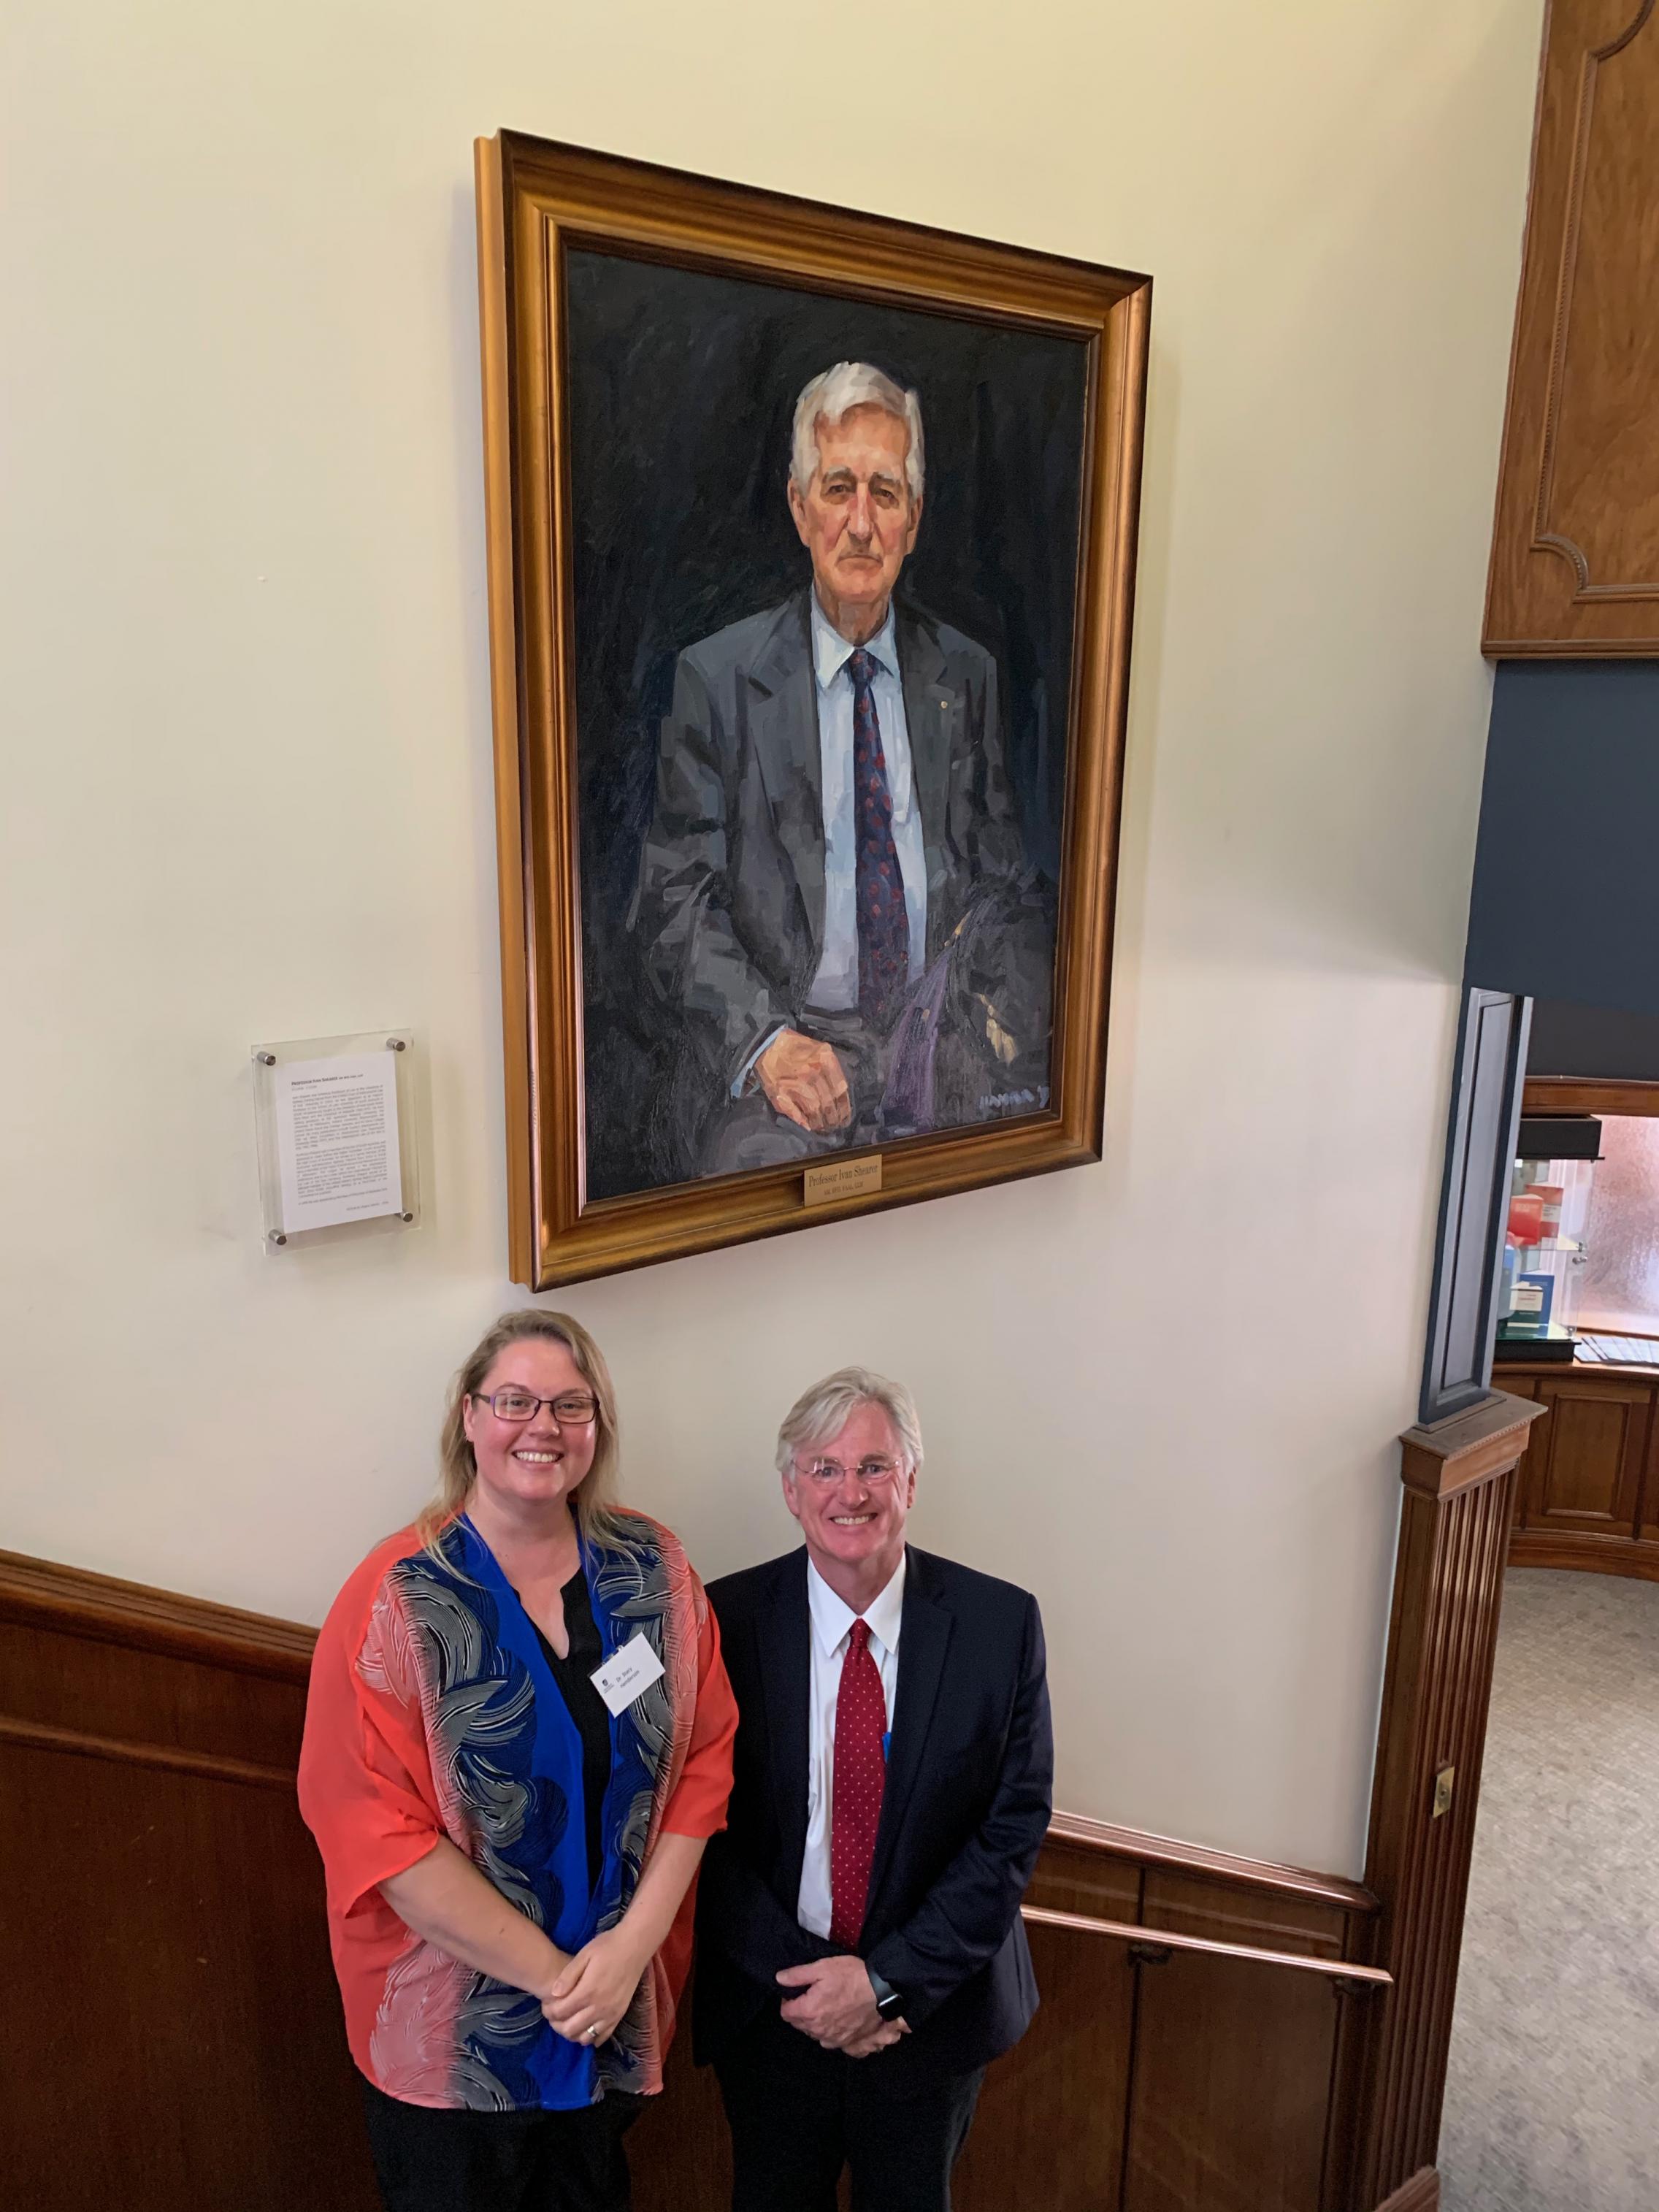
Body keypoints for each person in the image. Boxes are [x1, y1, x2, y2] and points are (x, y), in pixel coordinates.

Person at [297, 1309, 737, 2212]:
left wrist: (625, 1957)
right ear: (469, 1417)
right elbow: (374, 1830)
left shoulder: (654, 1570)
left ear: (598, 1426)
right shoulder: (397, 1597)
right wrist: (557, 1979)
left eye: (571, 1405)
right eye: (515, 1400)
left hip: (611, 2014)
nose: (543, 1426)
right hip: (453, 2037)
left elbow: (704, 1763)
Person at [633, 360, 1037, 1177]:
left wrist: (997, 1027)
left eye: (884, 493)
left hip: (942, 1052)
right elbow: (673, 903)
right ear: (798, 506)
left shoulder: (967, 675)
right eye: (838, 487)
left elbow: (1004, 887)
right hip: (788, 1056)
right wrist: (766, 1042)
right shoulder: (719, 681)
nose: (860, 523)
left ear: (914, 518)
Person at [694, 1367, 1053, 2212]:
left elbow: (1011, 1829)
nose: (848, 1491)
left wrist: (883, 1984)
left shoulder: (999, 1627)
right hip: (775, 2013)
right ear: (790, 1488)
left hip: (928, 2016)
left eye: (873, 1466)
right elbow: (695, 1827)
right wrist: (812, 1984)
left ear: (912, 1480)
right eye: (823, 1467)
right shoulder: (723, 1622)